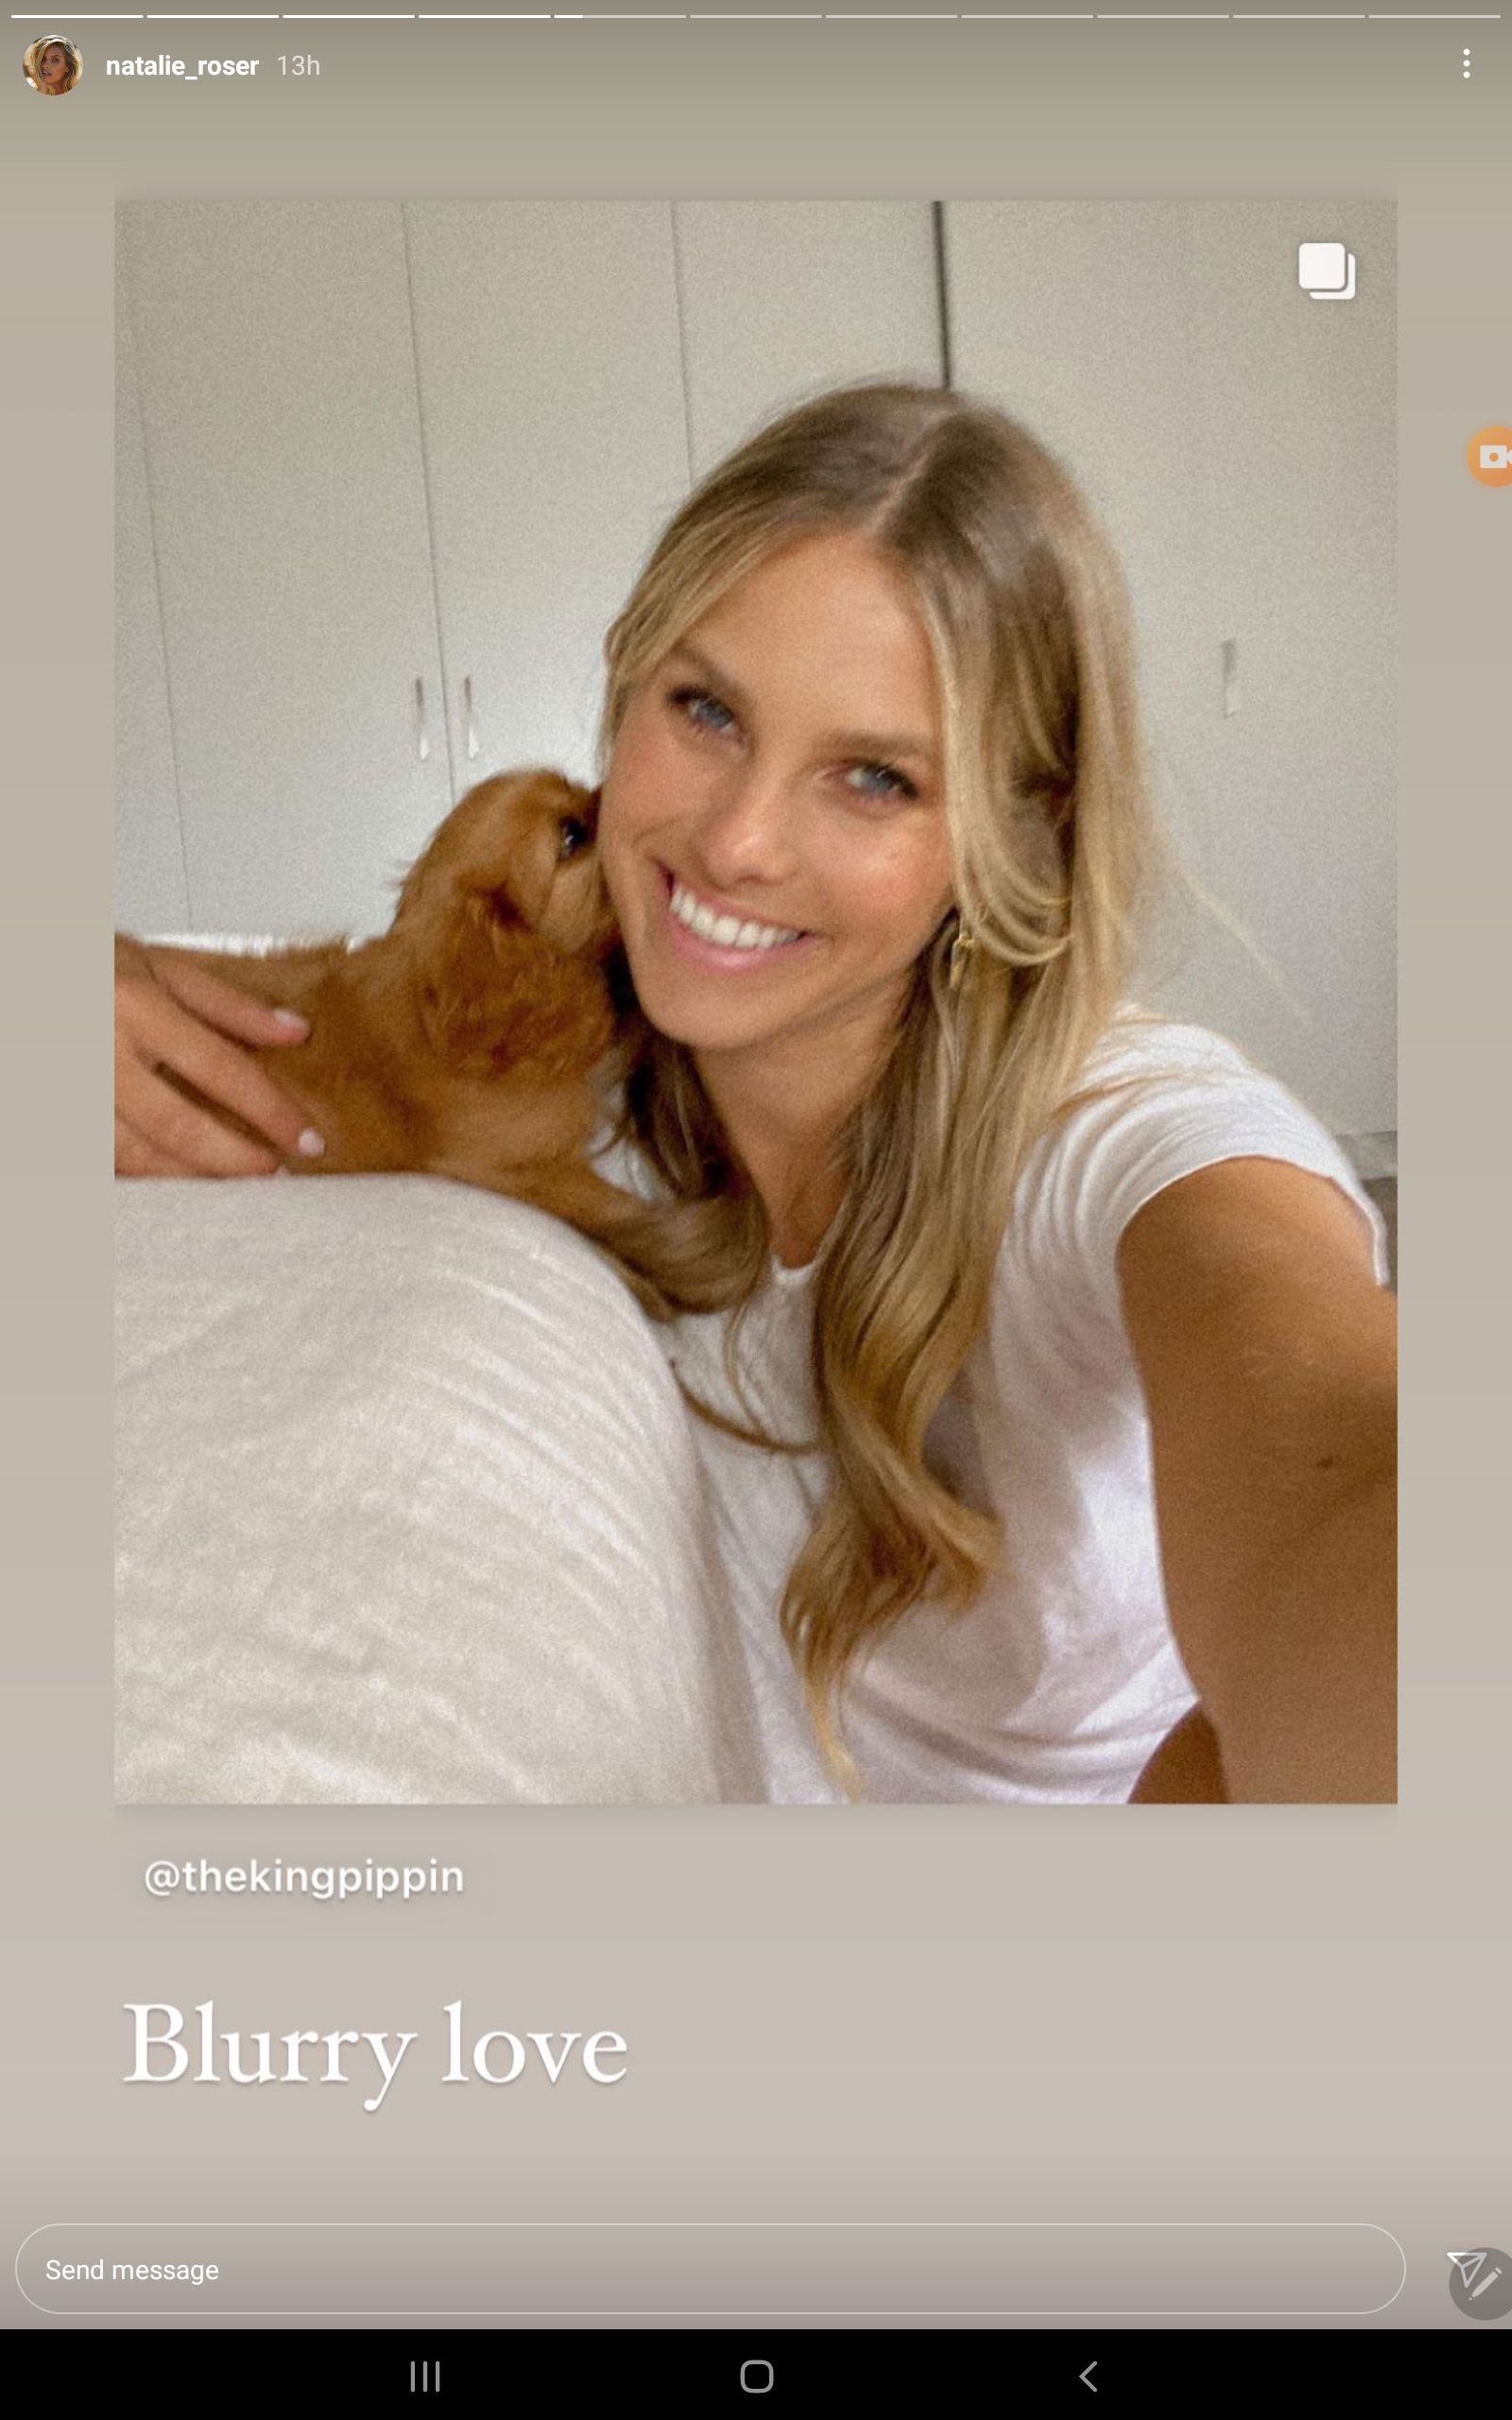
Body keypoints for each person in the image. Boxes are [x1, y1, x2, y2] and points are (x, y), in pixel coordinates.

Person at [115, 381, 1396, 1807]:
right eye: (708, 709)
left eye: (875, 778)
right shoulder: (566, 1073)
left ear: (1018, 834)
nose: (735, 843)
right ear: (624, 692)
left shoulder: (1122, 1149)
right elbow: (261, 996)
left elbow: (1352, 1476)